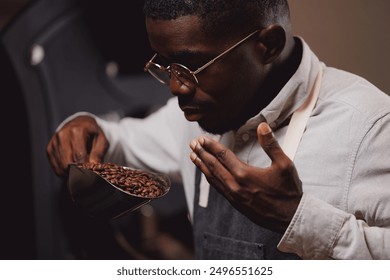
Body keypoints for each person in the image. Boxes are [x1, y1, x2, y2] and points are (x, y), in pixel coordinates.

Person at [46, 0, 390, 259]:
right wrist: (89, 127)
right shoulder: (197, 113)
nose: (176, 88)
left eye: (193, 66)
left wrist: (297, 218)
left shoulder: (369, 126)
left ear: (267, 46)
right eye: (165, 64)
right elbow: (123, 142)